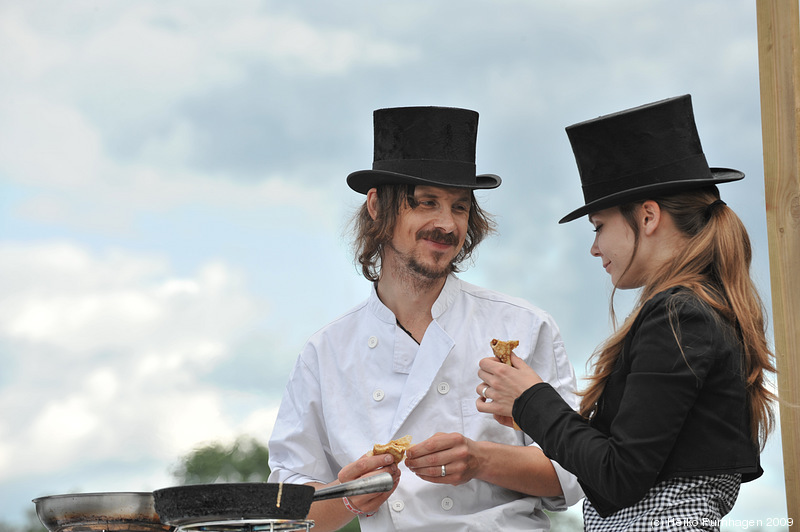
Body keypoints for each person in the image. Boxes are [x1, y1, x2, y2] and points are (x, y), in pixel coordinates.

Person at [268, 106, 583, 531]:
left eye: (459, 207)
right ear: (377, 206)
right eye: (426, 203)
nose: (446, 224)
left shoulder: (523, 326)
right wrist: (346, 496)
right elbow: (286, 517)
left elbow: (574, 474)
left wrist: (481, 459)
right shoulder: (325, 353)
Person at [476, 94, 777, 530]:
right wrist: (530, 412)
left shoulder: (678, 317)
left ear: (648, 216)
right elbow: (631, 460)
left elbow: (619, 475)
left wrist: (531, 400)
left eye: (599, 226)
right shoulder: (702, 310)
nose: (595, 247)